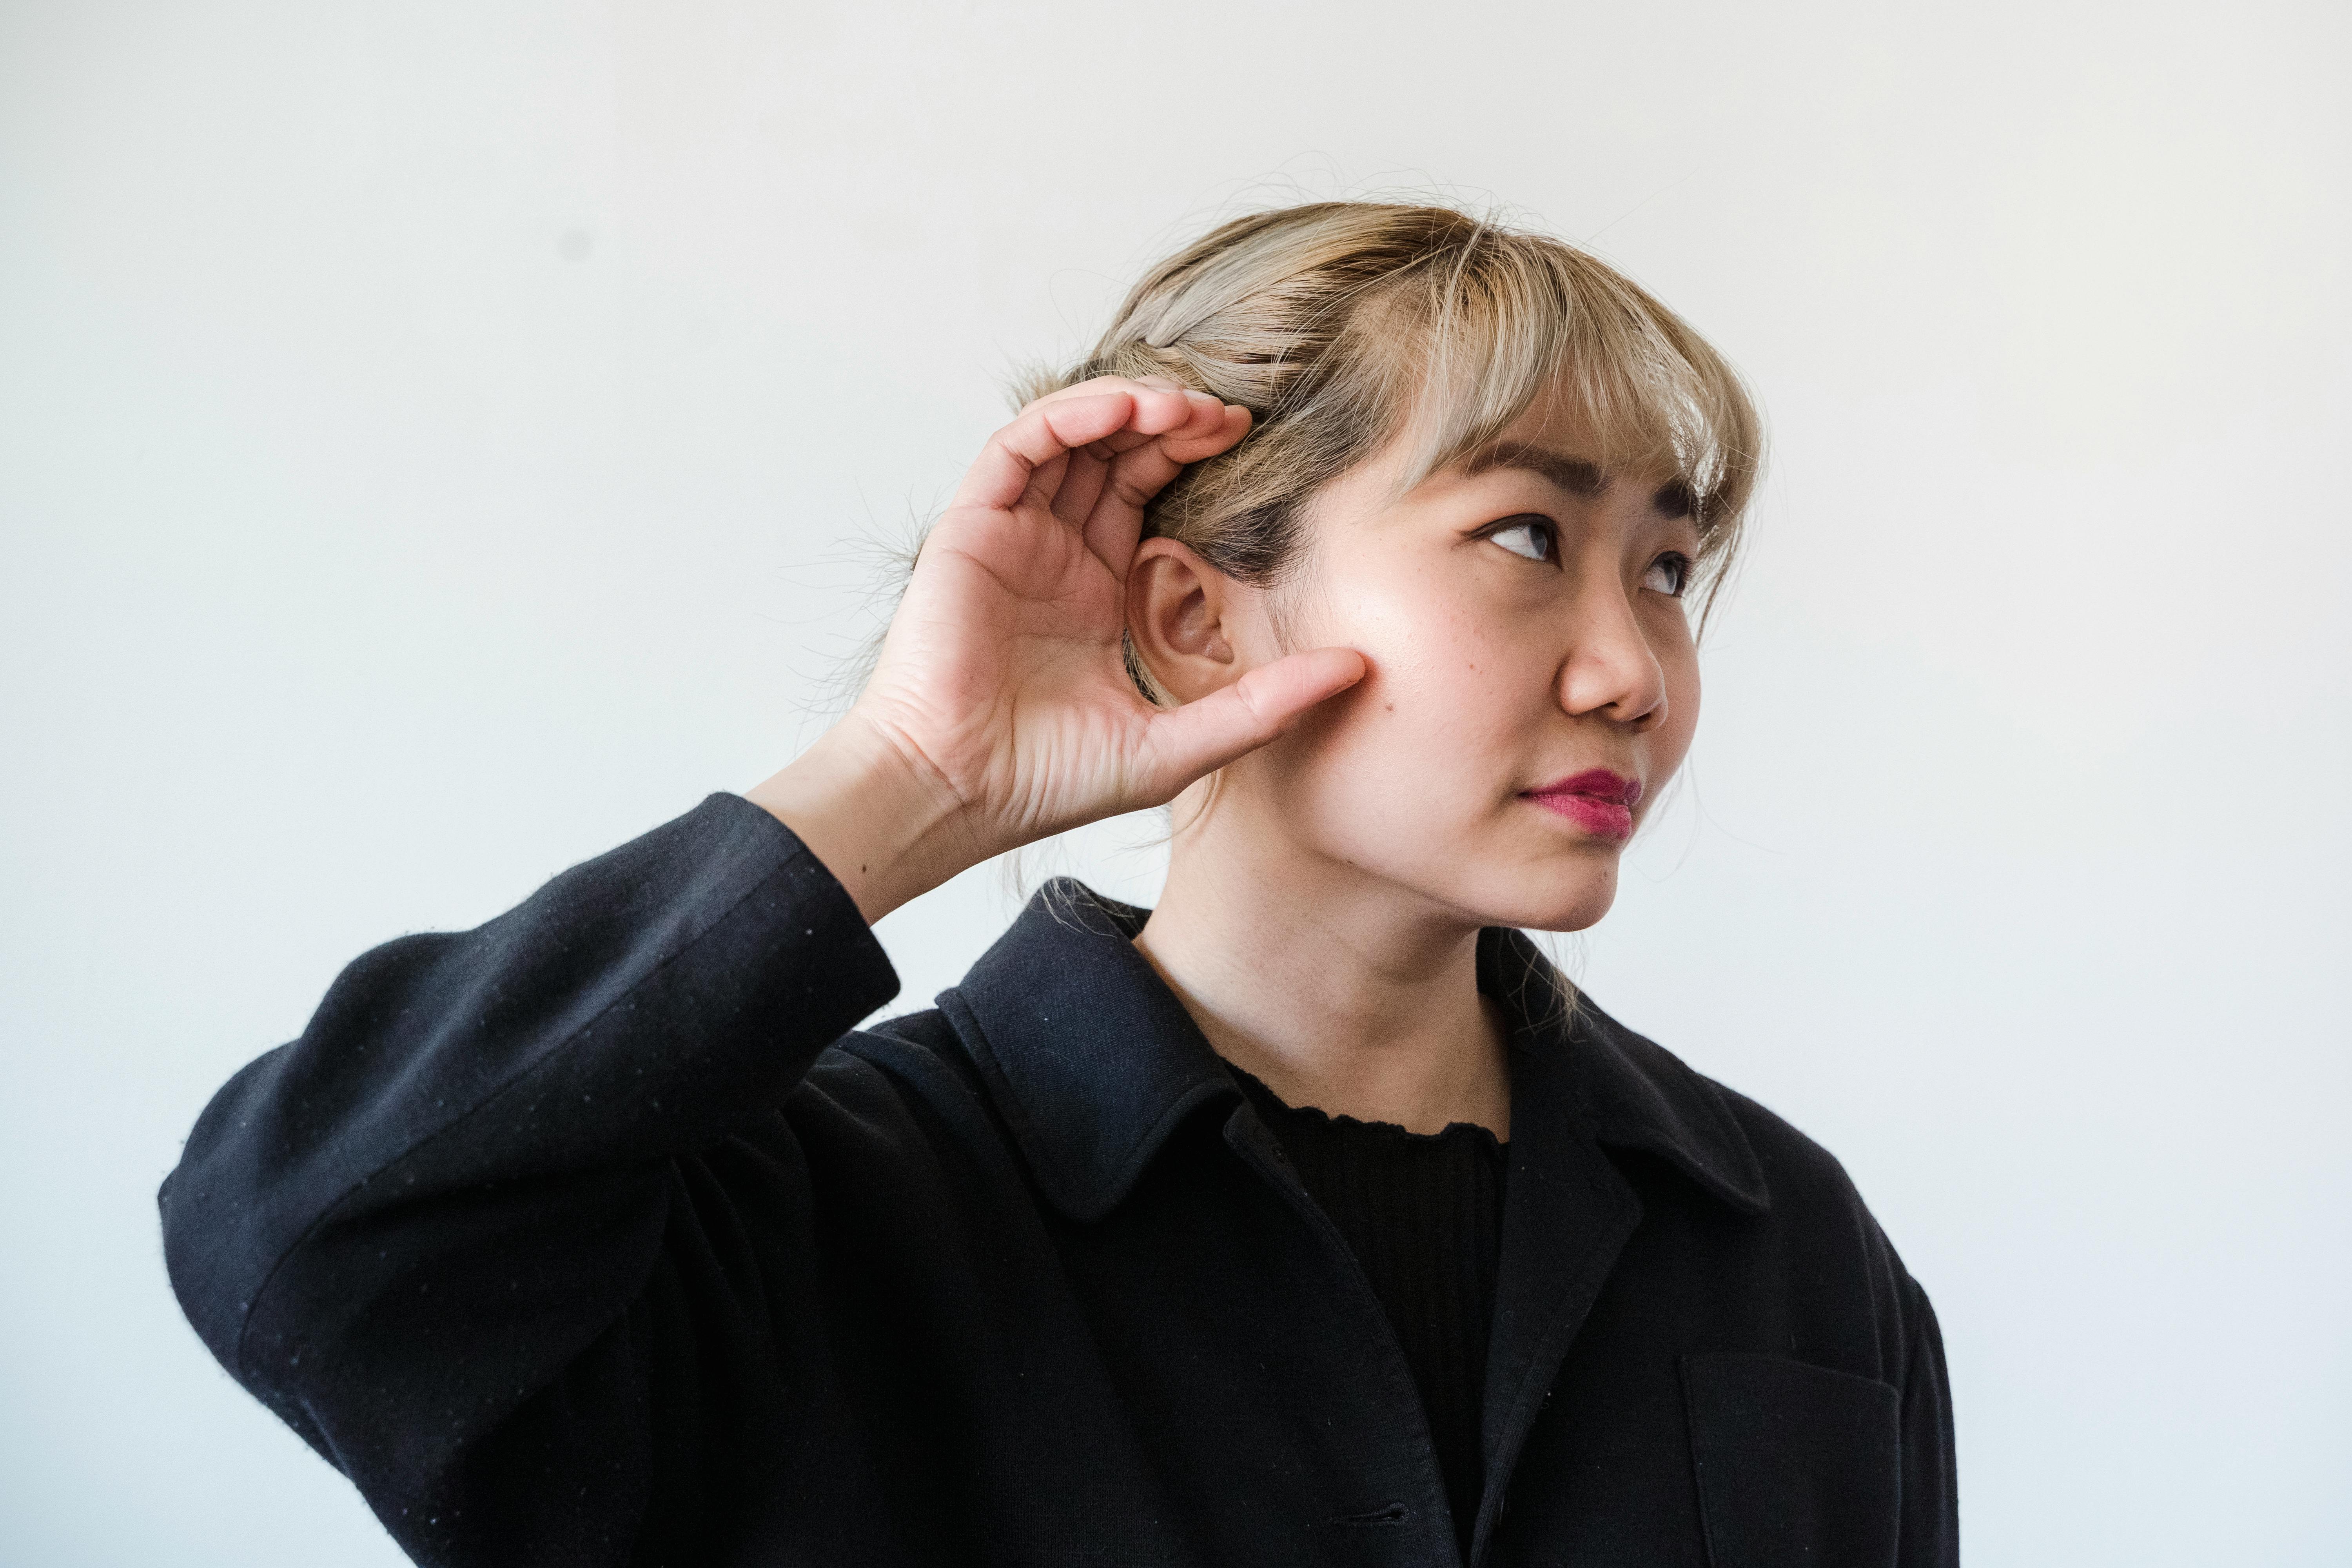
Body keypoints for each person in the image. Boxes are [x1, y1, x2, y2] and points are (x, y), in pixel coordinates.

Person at [162, 201, 1957, 1567]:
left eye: (1667, 568)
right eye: (1526, 536)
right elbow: (306, 1243)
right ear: (1197, 614)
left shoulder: (1789, 1247)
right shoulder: (816, 1221)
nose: (1634, 672)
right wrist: (913, 774)